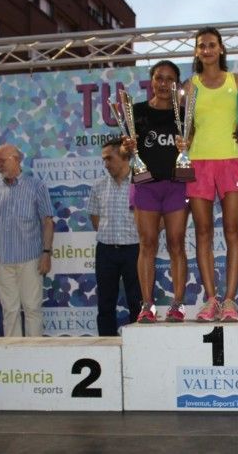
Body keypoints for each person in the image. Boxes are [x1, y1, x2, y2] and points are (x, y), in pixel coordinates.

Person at [185, 27, 238, 322]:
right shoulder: (190, 85)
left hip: (231, 161)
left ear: (221, 48)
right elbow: (186, 129)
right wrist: (182, 142)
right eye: (202, 46)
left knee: (233, 231)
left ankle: (230, 301)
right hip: (199, 163)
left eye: (211, 45)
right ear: (197, 51)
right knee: (203, 232)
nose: (207, 50)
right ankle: (211, 299)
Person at [121, 60, 189, 323]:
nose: (163, 83)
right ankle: (147, 305)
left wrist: (187, 144)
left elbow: (191, 146)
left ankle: (178, 304)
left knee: (176, 244)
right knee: (147, 243)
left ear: (177, 84)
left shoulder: (184, 115)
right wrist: (127, 147)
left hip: (176, 184)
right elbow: (126, 150)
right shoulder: (136, 112)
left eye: (170, 79)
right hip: (145, 184)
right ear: (151, 81)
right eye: (159, 78)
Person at [0, 144, 54, 337]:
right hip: (2, 260)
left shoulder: (36, 186)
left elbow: (47, 221)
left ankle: (34, 351)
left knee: (32, 308)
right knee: (9, 311)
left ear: (16, 159)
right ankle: (14, 352)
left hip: (30, 259)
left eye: (1, 161)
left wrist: (46, 253)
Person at [87, 138, 142, 335]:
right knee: (105, 303)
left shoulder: (141, 183)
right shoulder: (99, 186)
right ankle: (106, 345)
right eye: (104, 159)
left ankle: (139, 345)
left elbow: (154, 219)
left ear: (125, 157)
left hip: (135, 250)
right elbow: (95, 218)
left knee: (137, 302)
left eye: (109, 158)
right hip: (106, 250)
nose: (106, 164)